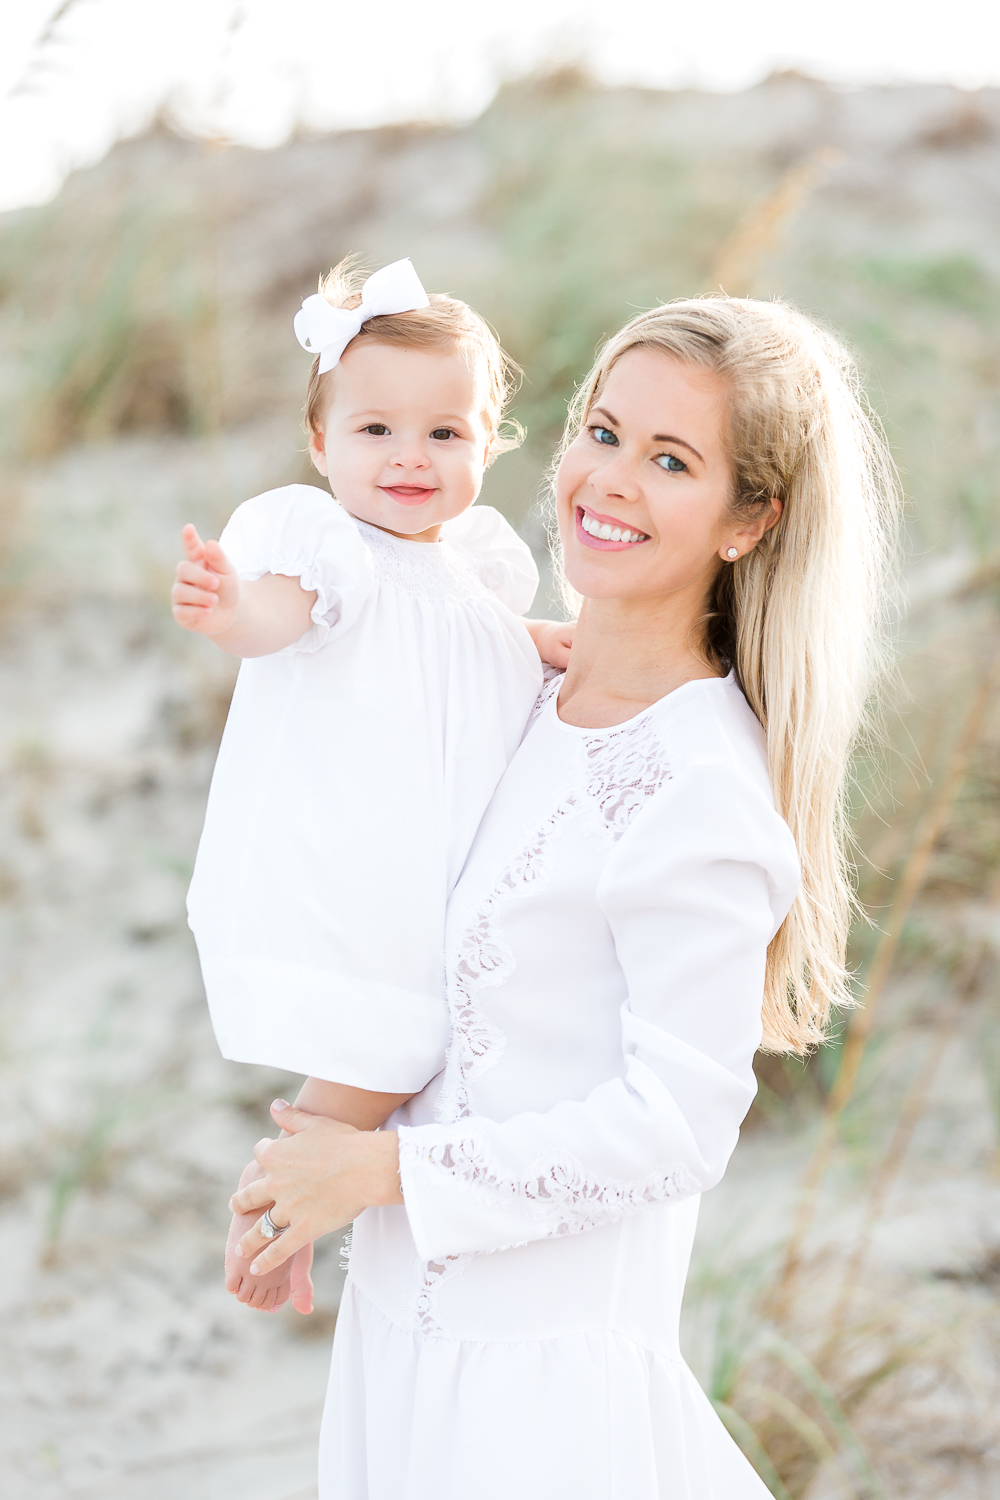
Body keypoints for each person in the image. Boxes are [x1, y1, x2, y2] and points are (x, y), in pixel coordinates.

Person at [230, 294, 899, 1498]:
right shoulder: (511, 691)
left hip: (539, 1400)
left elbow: (675, 1129)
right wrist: (305, 1162)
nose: (610, 480)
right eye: (602, 431)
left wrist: (382, 1176)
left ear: (749, 520)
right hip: (396, 1332)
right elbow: (417, 959)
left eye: (672, 459)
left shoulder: (698, 787)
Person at [171, 257, 574, 1312]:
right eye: (374, 430)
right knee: (392, 1044)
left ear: (488, 442)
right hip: (365, 865)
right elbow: (282, 618)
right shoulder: (324, 550)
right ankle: (269, 1212)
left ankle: (294, 1204)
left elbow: (479, 650)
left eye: (445, 433)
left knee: (417, 1055)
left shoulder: (476, 570)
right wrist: (229, 609)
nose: (410, 457)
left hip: (449, 863)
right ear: (321, 444)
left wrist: (550, 644)